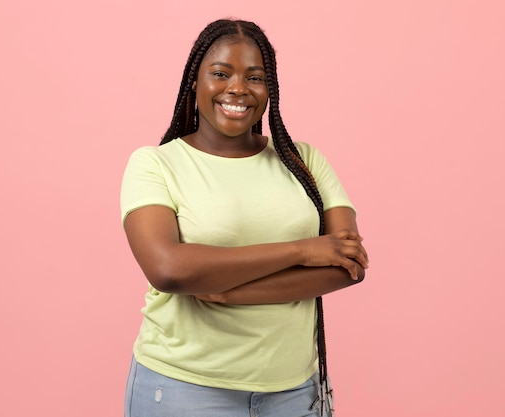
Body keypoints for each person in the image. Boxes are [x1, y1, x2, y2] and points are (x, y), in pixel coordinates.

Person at [121, 18, 368, 417]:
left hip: (293, 391)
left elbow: (348, 265)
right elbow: (168, 269)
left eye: (255, 78)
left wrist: (227, 292)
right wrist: (304, 249)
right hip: (184, 389)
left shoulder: (305, 162)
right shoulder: (156, 164)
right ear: (194, 82)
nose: (238, 88)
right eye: (221, 73)